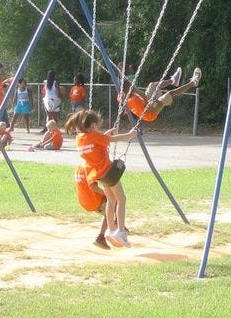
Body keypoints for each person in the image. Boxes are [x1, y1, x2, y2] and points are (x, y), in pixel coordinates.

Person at [65, 109, 136, 248]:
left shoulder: (80, 138)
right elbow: (111, 140)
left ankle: (110, 230)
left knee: (111, 199)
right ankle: (121, 231)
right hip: (109, 172)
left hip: (99, 175)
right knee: (121, 199)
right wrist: (129, 134)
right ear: (91, 125)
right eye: (96, 125)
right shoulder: (93, 135)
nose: (97, 127)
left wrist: (103, 135)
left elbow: (96, 143)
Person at [120, 67, 200, 122]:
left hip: (145, 103)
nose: (132, 85)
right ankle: (193, 82)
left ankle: (173, 80)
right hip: (150, 112)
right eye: (130, 85)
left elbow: (141, 94)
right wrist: (152, 100)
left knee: (152, 85)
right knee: (169, 94)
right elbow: (146, 105)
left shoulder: (124, 94)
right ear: (127, 89)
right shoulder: (133, 101)